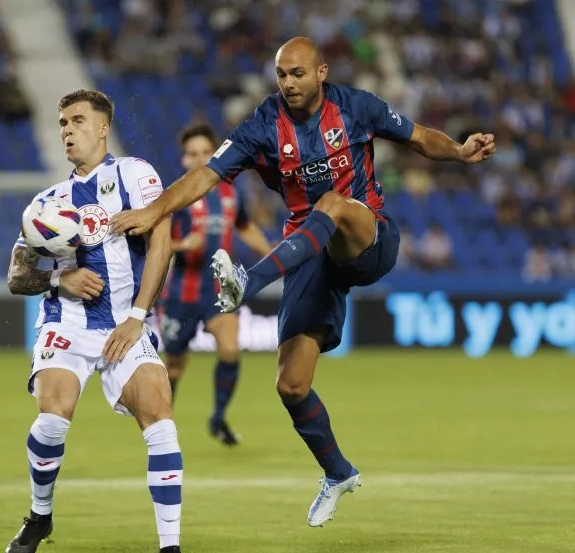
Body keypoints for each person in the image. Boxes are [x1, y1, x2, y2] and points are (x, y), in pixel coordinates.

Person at [110, 37, 495, 527]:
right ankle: (338, 473)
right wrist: (154, 208)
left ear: (321, 72)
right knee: (291, 385)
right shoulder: (263, 125)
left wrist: (460, 151)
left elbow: (419, 137)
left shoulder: (356, 107)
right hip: (309, 252)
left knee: (332, 203)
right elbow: (206, 175)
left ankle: (247, 285)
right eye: (281, 75)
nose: (288, 83)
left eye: (297, 73)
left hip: (366, 237)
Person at [5, 89, 201, 553]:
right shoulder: (47, 203)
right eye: (62, 123)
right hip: (66, 322)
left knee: (160, 415)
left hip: (124, 323)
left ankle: (170, 551)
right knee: (53, 417)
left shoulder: (135, 175)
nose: (67, 131)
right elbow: (16, 274)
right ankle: (40, 515)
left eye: (76, 121)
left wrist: (137, 316)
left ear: (101, 127)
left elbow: (161, 244)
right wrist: (58, 277)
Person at [159, 122, 272, 446]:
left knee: (230, 349)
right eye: (192, 154)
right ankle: (162, 426)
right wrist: (182, 246)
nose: (199, 159)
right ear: (184, 160)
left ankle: (219, 417)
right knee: (175, 366)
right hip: (182, 290)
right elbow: (155, 242)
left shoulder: (230, 192)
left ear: (215, 154)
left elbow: (245, 226)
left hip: (219, 289)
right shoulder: (175, 195)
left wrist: (274, 254)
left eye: (205, 152)